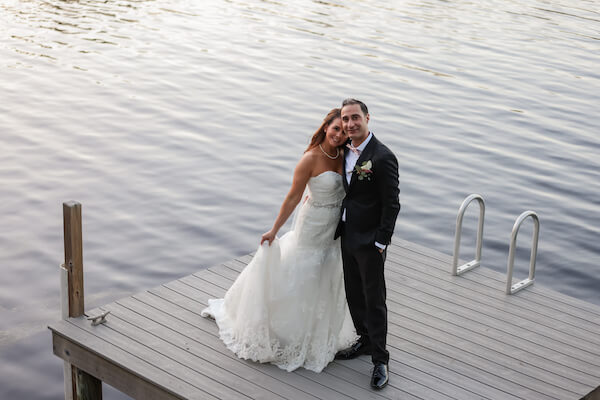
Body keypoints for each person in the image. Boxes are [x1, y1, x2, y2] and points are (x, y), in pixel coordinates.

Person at [201, 108, 357, 372]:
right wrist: (274, 230)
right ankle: (286, 331)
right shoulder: (310, 158)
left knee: (327, 273)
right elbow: (293, 197)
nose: (339, 135)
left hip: (334, 229)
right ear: (326, 127)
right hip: (312, 225)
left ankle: (319, 332)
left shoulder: (345, 155)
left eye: (343, 131)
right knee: (304, 271)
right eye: (336, 129)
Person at [334, 98, 400, 390]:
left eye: (355, 118)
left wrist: (381, 241)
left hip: (371, 242)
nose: (350, 124)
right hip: (347, 235)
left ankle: (380, 359)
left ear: (367, 118)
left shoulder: (382, 156)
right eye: (345, 119)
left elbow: (392, 204)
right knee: (354, 293)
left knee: (374, 300)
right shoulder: (344, 151)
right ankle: (363, 340)